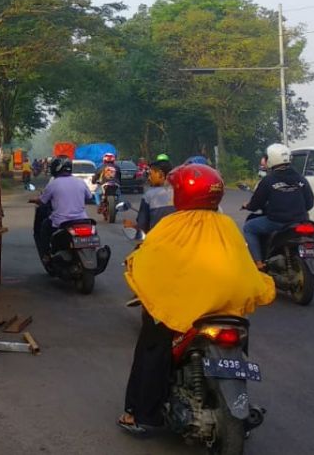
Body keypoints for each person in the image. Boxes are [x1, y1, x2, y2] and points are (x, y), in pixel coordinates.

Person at [118, 163, 275, 435]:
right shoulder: (226, 224)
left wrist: (134, 264)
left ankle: (141, 414)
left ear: (180, 193)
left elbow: (148, 261)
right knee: (240, 337)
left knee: (152, 344)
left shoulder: (171, 225)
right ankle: (236, 402)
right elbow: (243, 261)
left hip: (185, 309)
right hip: (227, 305)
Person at [242, 143, 314, 267]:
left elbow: (256, 204)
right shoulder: (301, 178)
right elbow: (310, 203)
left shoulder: (268, 180)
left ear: (271, 159)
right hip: (300, 221)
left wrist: (247, 206)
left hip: (277, 221)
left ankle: (258, 263)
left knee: (249, 227)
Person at [29, 156, 92, 263]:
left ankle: (46, 255)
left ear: (55, 168)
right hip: (82, 221)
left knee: (44, 226)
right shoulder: (80, 182)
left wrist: (33, 200)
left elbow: (42, 201)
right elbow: (89, 197)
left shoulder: (53, 184)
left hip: (61, 222)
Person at [131, 159, 174, 238]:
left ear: (160, 174)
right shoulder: (182, 193)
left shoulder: (149, 195)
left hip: (157, 241)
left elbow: (142, 225)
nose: (149, 178)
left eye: (151, 174)